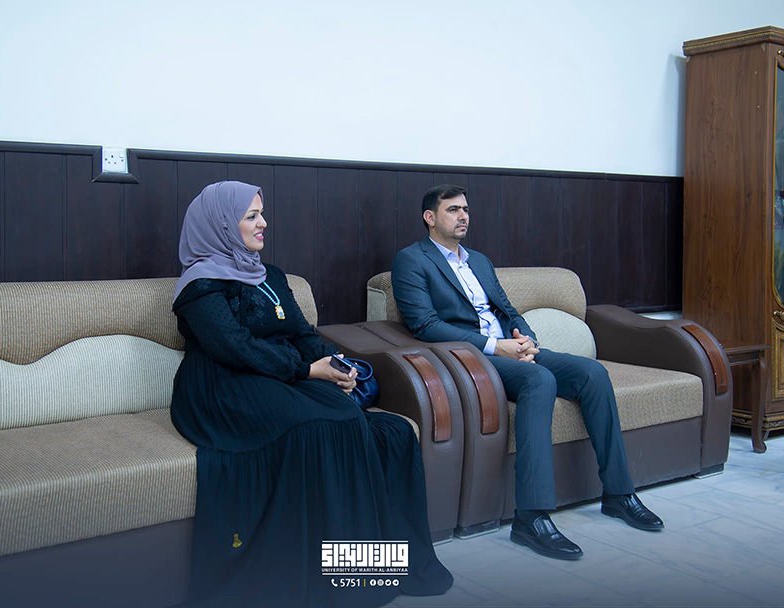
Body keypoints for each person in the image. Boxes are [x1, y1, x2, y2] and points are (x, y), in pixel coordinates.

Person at [170, 180, 452, 607]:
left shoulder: (270, 275)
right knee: (322, 426)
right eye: (251, 216)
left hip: (277, 376)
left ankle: (365, 570)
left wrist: (336, 365)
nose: (264, 223)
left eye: (262, 213)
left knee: (386, 431)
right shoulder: (201, 281)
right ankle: (320, 578)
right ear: (222, 224)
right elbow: (232, 346)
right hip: (222, 386)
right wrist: (305, 370)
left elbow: (302, 333)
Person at [390, 184, 663, 561]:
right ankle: (531, 517)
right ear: (430, 218)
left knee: (592, 374)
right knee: (539, 379)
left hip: (510, 349)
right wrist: (495, 346)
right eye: (453, 210)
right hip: (471, 359)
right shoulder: (411, 260)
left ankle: (618, 494)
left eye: (466, 209)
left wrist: (526, 339)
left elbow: (508, 310)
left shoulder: (479, 261)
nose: (463, 216)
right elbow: (425, 325)